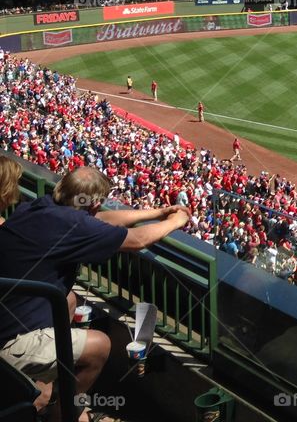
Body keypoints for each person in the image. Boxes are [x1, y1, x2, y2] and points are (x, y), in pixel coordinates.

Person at [0, 167, 189, 422]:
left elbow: (101, 220)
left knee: (68, 301)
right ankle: (61, 414)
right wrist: (175, 221)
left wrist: (155, 213)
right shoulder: (72, 225)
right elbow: (136, 240)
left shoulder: (38, 208)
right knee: (100, 345)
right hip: (8, 345)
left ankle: (44, 391)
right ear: (95, 202)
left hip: (8, 317)